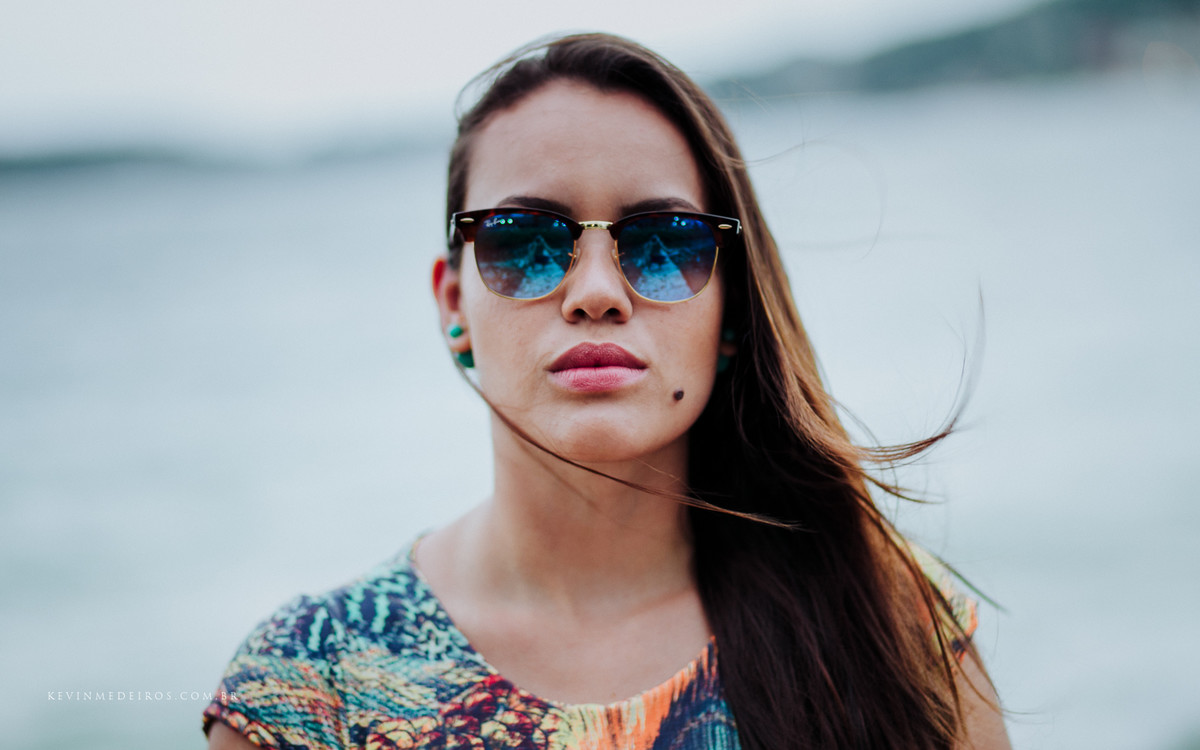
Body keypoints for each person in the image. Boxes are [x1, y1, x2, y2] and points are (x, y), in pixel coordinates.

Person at [204, 33, 1011, 750]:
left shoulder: (888, 620)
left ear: (730, 312)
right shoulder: (311, 691)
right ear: (454, 304)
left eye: (665, 244)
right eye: (525, 241)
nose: (596, 292)